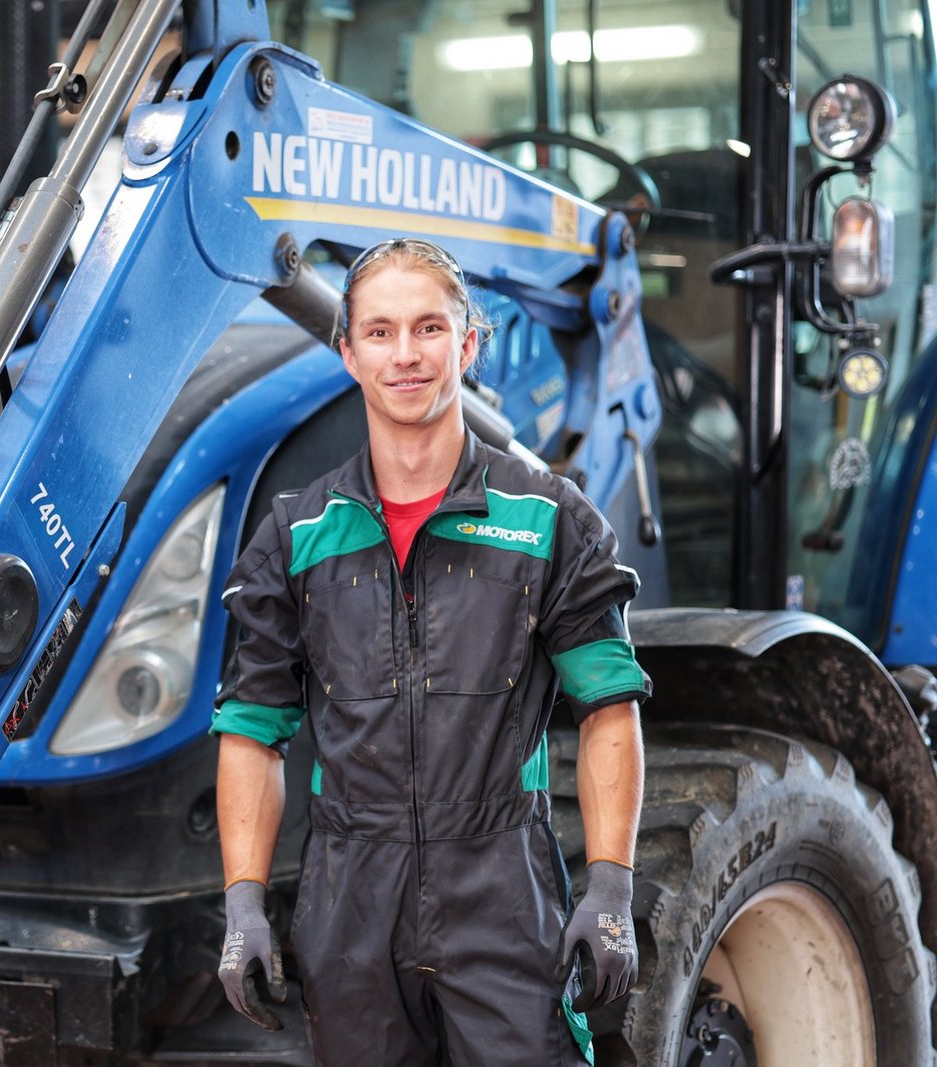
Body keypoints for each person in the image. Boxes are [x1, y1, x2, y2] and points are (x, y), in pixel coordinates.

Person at [211, 238, 650, 1064]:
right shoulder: (297, 533)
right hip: (351, 902)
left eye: (429, 328)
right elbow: (252, 729)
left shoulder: (548, 519)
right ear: (348, 353)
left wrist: (610, 886)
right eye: (379, 332)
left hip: (503, 891)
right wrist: (243, 905)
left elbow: (608, 707)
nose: (405, 354)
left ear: (468, 344)